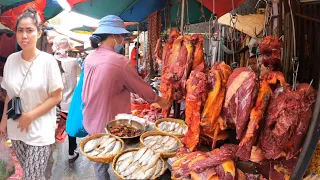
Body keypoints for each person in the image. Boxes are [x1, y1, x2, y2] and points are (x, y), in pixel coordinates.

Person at [82, 15, 170, 180]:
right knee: (125, 165)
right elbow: (143, 90)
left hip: (91, 120)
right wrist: (161, 101)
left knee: (100, 162)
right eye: (122, 36)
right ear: (114, 36)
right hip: (110, 125)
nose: (123, 39)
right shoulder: (119, 61)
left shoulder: (90, 57)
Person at [0, 7, 63, 179]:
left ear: (39, 32)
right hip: (16, 128)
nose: (24, 35)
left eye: (29, 30)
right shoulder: (11, 60)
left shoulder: (48, 62)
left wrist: (30, 116)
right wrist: (3, 121)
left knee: (31, 177)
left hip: (40, 130)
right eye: (20, 30)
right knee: (32, 174)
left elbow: (57, 97)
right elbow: (10, 95)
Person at [53, 35, 80, 163]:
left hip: (53, 104)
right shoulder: (74, 62)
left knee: (52, 128)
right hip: (70, 104)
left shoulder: (49, 61)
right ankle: (71, 152)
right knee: (71, 127)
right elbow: (79, 76)